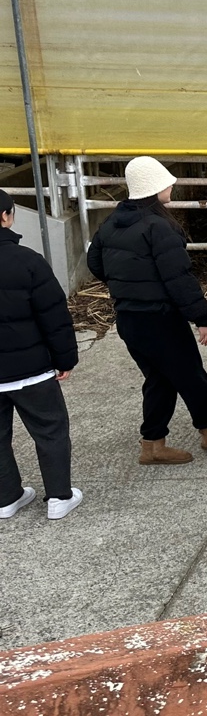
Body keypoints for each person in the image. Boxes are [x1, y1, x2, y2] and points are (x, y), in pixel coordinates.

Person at [86, 156, 207, 464]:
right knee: (190, 374)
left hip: (128, 318)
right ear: (154, 187)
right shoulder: (159, 227)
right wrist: (201, 318)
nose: (171, 186)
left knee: (159, 379)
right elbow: (179, 279)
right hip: (160, 318)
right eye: (166, 182)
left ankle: (152, 444)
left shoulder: (111, 223)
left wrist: (127, 284)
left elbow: (96, 263)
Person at [0, 189, 82, 521]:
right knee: (50, 430)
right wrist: (65, 359)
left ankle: (6, 498)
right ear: (6, 216)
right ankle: (59, 497)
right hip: (31, 371)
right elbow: (54, 317)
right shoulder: (29, 261)